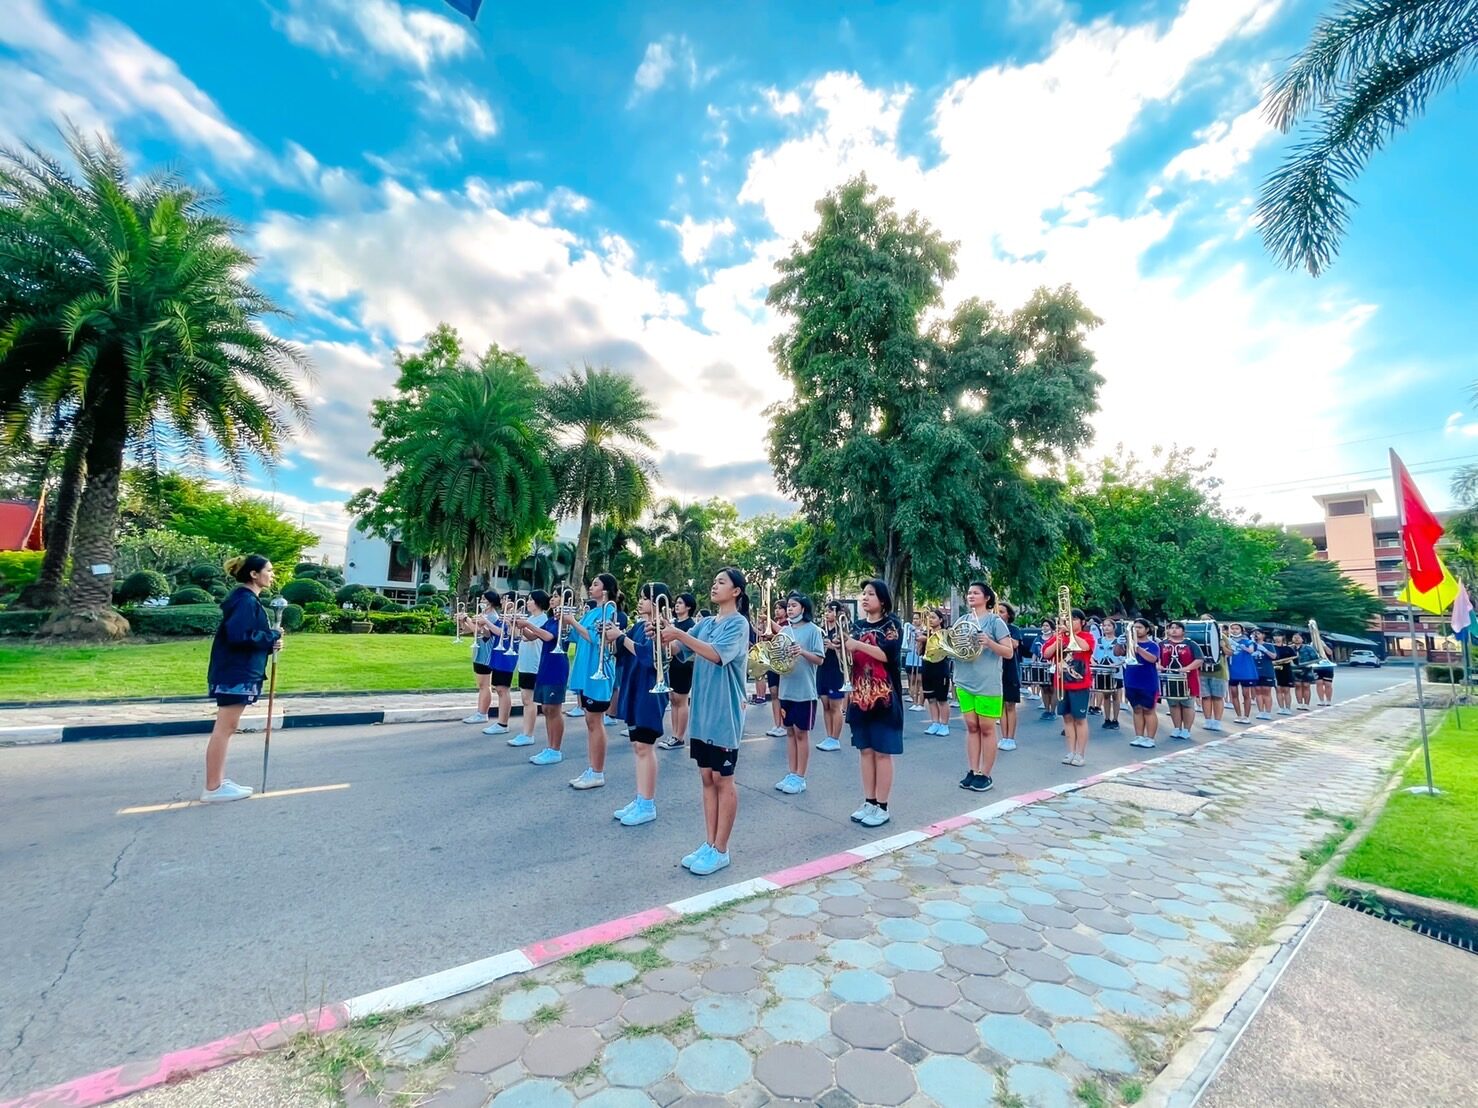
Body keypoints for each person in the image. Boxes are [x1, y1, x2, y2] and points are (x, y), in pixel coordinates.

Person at [662, 567, 752, 876]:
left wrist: (679, 633)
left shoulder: (739, 624)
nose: (714, 586)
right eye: (713, 581)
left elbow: (716, 654)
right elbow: (680, 651)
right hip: (701, 711)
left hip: (724, 712)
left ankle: (721, 849)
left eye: (721, 582)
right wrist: (663, 632)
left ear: (736, 591)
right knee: (706, 778)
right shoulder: (706, 623)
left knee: (723, 779)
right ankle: (710, 842)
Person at [202, 554, 283, 802]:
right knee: (225, 728)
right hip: (235, 674)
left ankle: (217, 782)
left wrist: (269, 641)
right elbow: (239, 636)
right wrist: (271, 636)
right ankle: (213, 788)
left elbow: (247, 637)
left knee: (227, 727)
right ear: (254, 574)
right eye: (268, 570)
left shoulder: (246, 599)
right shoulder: (245, 601)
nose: (272, 575)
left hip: (237, 672)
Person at [608, 582, 672, 826]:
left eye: (645, 598)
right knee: (638, 746)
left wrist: (621, 637)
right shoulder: (638, 626)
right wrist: (611, 636)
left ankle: (647, 804)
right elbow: (622, 653)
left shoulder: (661, 627)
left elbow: (648, 657)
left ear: (656, 602)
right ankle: (640, 797)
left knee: (645, 746)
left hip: (650, 691)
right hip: (635, 688)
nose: (640, 601)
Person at [845, 579, 905, 827]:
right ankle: (869, 801)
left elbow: (887, 654)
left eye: (870, 594)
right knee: (865, 751)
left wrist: (857, 644)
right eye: (863, 593)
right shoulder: (856, 626)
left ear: (882, 599)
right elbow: (849, 659)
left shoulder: (892, 624)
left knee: (882, 752)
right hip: (859, 695)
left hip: (884, 697)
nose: (865, 597)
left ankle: (882, 805)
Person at [950, 581, 1014, 792]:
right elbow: (954, 645)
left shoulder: (995, 622)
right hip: (964, 680)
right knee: (971, 726)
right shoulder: (962, 620)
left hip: (987, 683)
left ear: (987, 598)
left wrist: (989, 642)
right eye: (969, 593)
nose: (970, 596)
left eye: (976, 593)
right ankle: (972, 770)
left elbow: (1008, 652)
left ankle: (985, 774)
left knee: (986, 728)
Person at [564, 573, 625, 790]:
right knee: (590, 721)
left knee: (595, 721)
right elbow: (577, 636)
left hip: (597, 671)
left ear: (605, 590)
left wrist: (573, 621)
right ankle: (592, 768)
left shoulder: (609, 611)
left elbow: (596, 638)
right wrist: (567, 623)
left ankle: (597, 771)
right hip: (585, 669)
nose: (591, 587)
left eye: (595, 584)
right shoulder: (592, 611)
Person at [774, 592, 826, 794]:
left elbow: (820, 659)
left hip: (805, 692)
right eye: (788, 605)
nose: (789, 608)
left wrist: (802, 651)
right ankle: (792, 772)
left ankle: (800, 777)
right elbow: (778, 657)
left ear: (803, 608)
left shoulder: (813, 630)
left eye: (794, 605)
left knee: (801, 733)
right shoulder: (785, 630)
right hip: (786, 690)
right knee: (789, 732)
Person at [516, 590, 569, 766]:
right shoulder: (551, 620)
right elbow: (532, 636)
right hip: (545, 665)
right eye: (552, 596)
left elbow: (548, 636)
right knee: (546, 708)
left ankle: (555, 749)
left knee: (554, 709)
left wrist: (527, 624)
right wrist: (520, 626)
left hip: (556, 667)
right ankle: (550, 747)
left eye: (556, 596)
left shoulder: (563, 620)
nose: (552, 599)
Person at [1042, 609, 1095, 766]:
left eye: (1074, 619)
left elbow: (1085, 647)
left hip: (1080, 683)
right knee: (1067, 718)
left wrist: (1071, 634)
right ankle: (1071, 751)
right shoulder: (1058, 637)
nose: (1070, 622)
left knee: (1080, 719)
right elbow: (1046, 654)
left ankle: (1080, 754)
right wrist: (1058, 641)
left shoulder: (1087, 636)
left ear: (1082, 622)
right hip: (1061, 683)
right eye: (1068, 619)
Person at [657, 592, 698, 750]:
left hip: (684, 665)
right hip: (672, 664)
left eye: (680, 603)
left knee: (681, 700)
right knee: (673, 699)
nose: (677, 605)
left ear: (688, 607)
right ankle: (674, 734)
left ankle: (680, 736)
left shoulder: (690, 625)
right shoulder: (674, 623)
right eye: (677, 603)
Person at [512, 596, 548, 748]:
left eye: (531, 600)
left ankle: (528, 734)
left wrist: (522, 625)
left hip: (534, 663)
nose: (527, 602)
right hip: (525, 663)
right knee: (525, 699)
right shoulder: (530, 618)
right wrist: (513, 624)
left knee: (529, 700)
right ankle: (525, 732)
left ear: (538, 602)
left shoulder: (543, 620)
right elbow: (517, 636)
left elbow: (530, 637)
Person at [1119, 617, 1160, 748]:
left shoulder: (1152, 645)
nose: (1137, 630)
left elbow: (1153, 659)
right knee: (1136, 709)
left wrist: (1137, 648)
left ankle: (1150, 738)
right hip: (1131, 680)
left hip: (1147, 682)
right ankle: (1139, 736)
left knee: (1148, 710)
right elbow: (1118, 653)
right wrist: (1119, 643)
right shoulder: (1128, 643)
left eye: (1139, 627)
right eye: (1135, 628)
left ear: (1147, 629)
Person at [1160, 621, 1204, 740]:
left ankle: (1186, 729)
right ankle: (1177, 728)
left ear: (1183, 631)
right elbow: (1156, 658)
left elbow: (1199, 659)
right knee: (1173, 704)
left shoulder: (1191, 644)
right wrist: (1158, 665)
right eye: (1171, 628)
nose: (1174, 630)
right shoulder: (1162, 644)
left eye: (1177, 628)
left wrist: (1187, 668)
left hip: (1188, 678)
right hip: (1169, 677)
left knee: (1187, 705)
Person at [815, 601, 849, 752]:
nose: (827, 614)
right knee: (826, 705)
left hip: (836, 670)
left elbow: (848, 654)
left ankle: (835, 738)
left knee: (836, 706)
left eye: (830, 611)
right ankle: (829, 736)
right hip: (822, 669)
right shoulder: (821, 630)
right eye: (826, 611)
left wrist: (833, 647)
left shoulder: (842, 630)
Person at [920, 607, 953, 737]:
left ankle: (944, 725)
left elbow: (946, 649)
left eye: (933, 617)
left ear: (940, 620)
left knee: (942, 699)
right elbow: (920, 652)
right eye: (929, 618)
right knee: (930, 698)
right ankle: (935, 723)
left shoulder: (944, 634)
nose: (931, 620)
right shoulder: (926, 633)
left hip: (940, 668)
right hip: (927, 667)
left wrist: (927, 640)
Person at [998, 601, 1024, 750]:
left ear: (1008, 615)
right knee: (1001, 705)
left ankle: (1011, 738)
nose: (999, 614)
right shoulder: (992, 629)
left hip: (1011, 670)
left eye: (1002, 612)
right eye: (997, 612)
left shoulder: (1014, 629)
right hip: (997, 670)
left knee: (1010, 705)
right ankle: (1003, 737)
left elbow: (1014, 644)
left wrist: (1001, 631)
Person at [1198, 616, 1231, 732]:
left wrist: (1222, 645)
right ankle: (1208, 720)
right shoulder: (1198, 636)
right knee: (1205, 697)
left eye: (1207, 620)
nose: (1204, 622)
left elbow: (1230, 653)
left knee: (1217, 697)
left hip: (1219, 671)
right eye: (1202, 620)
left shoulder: (1222, 636)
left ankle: (1217, 721)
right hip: (1202, 671)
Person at [762, 600, 789, 737]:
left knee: (781, 693)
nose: (777, 611)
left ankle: (784, 724)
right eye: (775, 608)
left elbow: (785, 638)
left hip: (782, 661)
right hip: (772, 660)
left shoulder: (787, 625)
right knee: (773, 692)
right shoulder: (773, 625)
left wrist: (772, 634)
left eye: (780, 608)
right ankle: (777, 724)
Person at [1225, 622, 1259, 725]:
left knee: (1246, 694)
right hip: (1232, 670)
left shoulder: (1248, 641)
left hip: (1246, 671)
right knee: (1234, 693)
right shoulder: (1227, 641)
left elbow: (1251, 650)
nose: (1234, 630)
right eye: (1232, 628)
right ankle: (1238, 715)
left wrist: (1243, 647)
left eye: (1237, 628)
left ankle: (1246, 716)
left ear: (1241, 630)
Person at [1092, 618, 1123, 730]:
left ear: (1114, 628)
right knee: (1105, 695)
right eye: (1104, 625)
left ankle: (1115, 719)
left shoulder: (1119, 641)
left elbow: (1124, 657)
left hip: (1115, 672)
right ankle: (1107, 718)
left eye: (1109, 625)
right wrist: (1094, 663)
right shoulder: (1098, 641)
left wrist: (1116, 664)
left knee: (1115, 696)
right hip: (1102, 671)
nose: (1106, 628)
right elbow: (1092, 655)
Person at [1035, 618, 1058, 720]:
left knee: (1053, 689)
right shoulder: (1038, 639)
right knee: (1044, 689)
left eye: (1047, 625)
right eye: (1043, 625)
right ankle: (1046, 710)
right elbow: (1035, 652)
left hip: (1054, 666)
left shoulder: (1055, 638)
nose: (1044, 627)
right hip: (1042, 665)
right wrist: (1034, 663)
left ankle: (1052, 711)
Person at [1251, 628, 1276, 720]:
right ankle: (1261, 711)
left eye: (1258, 633)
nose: (1256, 635)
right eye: (1254, 634)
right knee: (1258, 691)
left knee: (1266, 691)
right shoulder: (1251, 645)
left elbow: (1274, 656)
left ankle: (1268, 712)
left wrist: (1264, 650)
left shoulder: (1269, 645)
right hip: (1255, 672)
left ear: (1263, 635)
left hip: (1267, 671)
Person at [1272, 631, 1297, 715]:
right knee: (1278, 689)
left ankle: (1288, 708)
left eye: (1279, 636)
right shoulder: (1271, 647)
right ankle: (1281, 708)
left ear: (1283, 637)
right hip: (1275, 670)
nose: (1277, 638)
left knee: (1286, 690)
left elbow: (1295, 659)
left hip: (1286, 670)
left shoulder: (1288, 648)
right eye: (1275, 636)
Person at [904, 612, 925, 710]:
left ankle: (921, 704)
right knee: (912, 680)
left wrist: (918, 632)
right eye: (914, 619)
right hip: (910, 657)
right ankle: (914, 702)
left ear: (921, 619)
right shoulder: (909, 630)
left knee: (920, 681)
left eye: (917, 618)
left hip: (920, 658)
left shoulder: (924, 630)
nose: (915, 621)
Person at [1292, 631, 1316, 709]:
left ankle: (1306, 704)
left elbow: (1315, 658)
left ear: (1302, 639)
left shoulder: (1308, 648)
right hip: (1294, 669)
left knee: (1306, 685)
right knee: (1297, 685)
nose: (1296, 639)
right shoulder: (1290, 648)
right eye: (1294, 637)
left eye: (1298, 637)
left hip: (1306, 668)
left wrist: (1309, 664)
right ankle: (1299, 704)